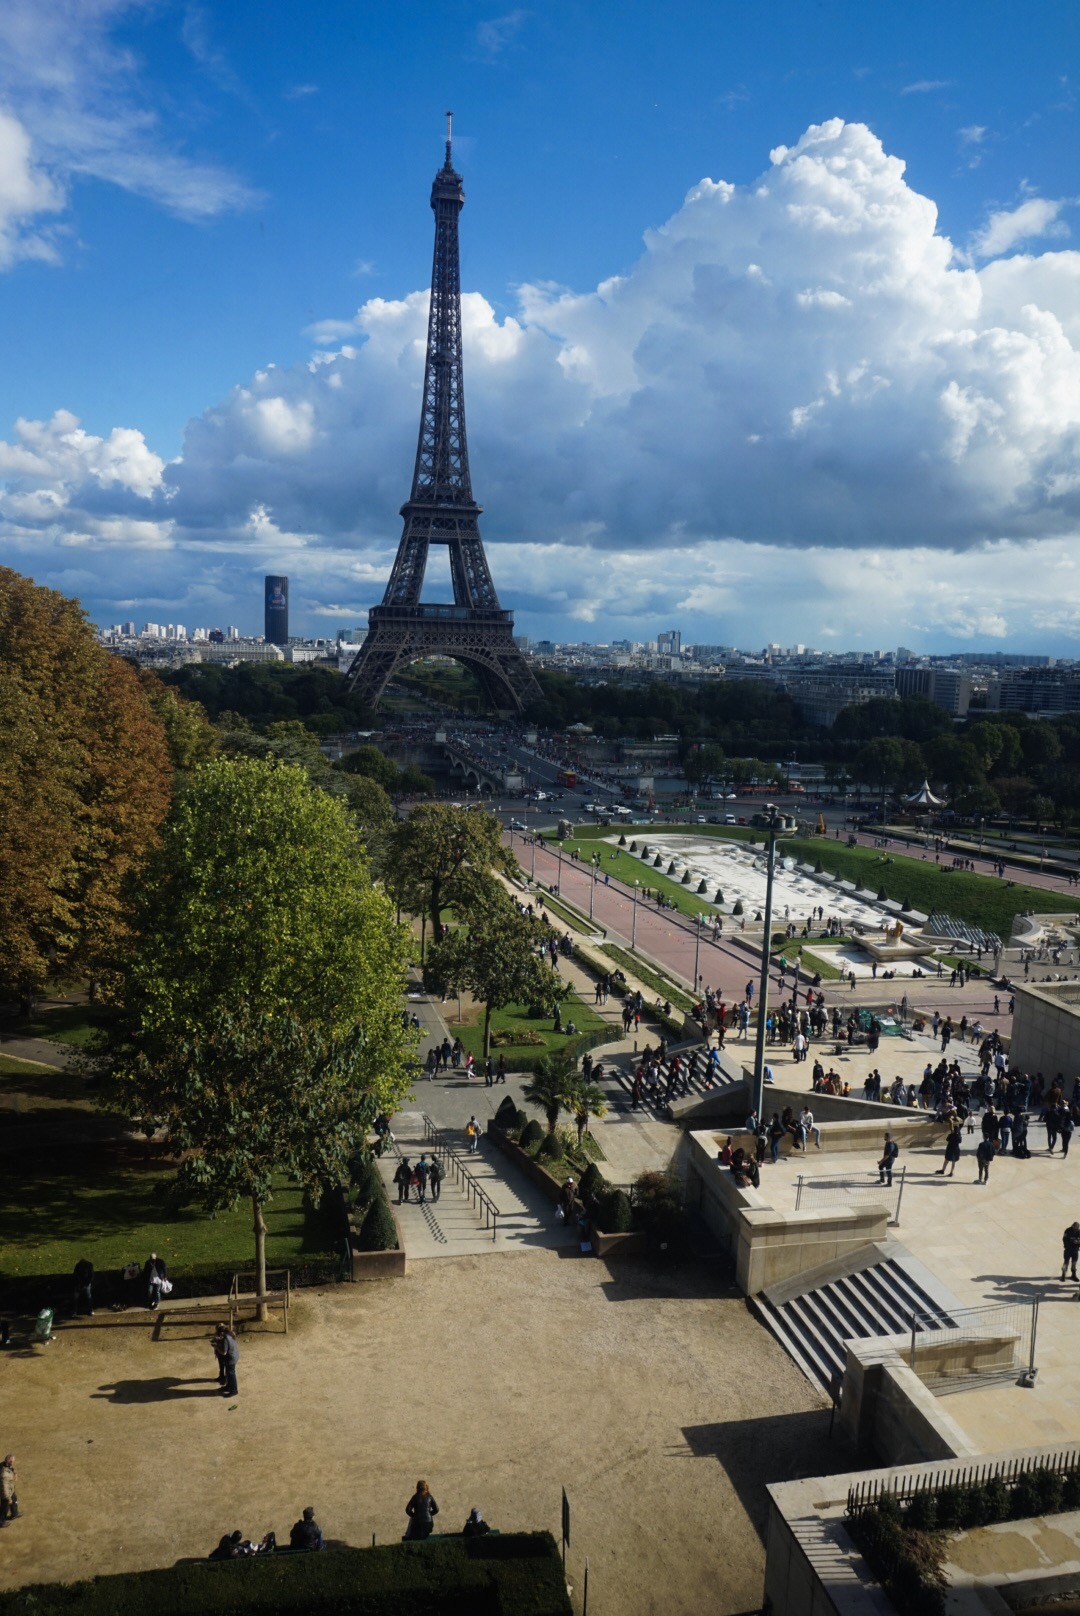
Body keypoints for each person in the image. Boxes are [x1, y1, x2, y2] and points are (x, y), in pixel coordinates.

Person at [220, 1327, 239, 1398]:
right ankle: (229, 1386)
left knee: (231, 1374)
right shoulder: (231, 1335)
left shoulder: (225, 1339)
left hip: (231, 1359)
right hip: (235, 1356)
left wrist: (217, 1347)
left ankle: (234, 1390)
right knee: (228, 1373)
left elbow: (224, 1352)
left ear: (222, 1333)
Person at [0, 1456, 17, 1524]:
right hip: (5, 1492)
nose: (14, 1462)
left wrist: (15, 1473)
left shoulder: (4, 1464)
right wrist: (8, 1498)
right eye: (13, 1461)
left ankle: (14, 1513)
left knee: (14, 1499)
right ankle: (1, 1521)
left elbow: (12, 1468)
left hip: (10, 1489)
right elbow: (4, 1488)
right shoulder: (4, 1474)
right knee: (5, 1506)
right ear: (10, 1462)